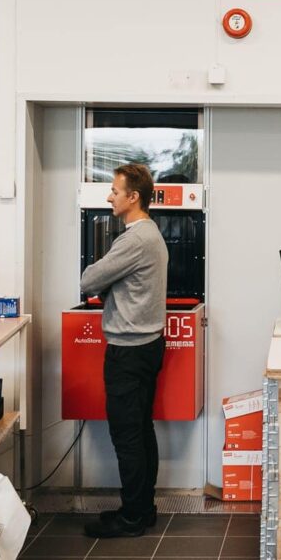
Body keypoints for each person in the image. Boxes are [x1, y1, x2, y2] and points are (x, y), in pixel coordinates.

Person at [80, 163, 168, 538]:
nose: (109, 196)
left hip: (129, 352)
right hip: (147, 346)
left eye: (115, 191)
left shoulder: (134, 239)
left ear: (134, 197)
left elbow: (88, 280)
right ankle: (141, 508)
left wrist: (103, 283)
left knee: (127, 435)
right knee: (141, 430)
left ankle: (132, 517)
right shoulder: (151, 234)